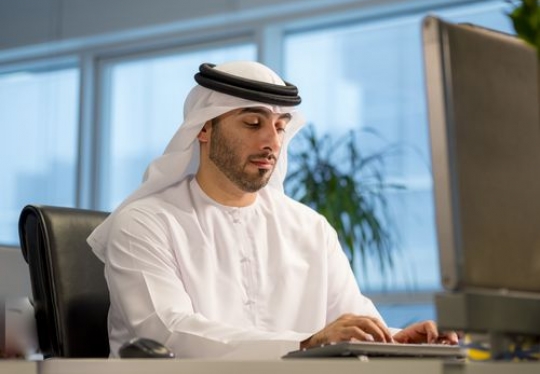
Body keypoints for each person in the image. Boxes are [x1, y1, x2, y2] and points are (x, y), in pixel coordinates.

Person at [87, 61, 458, 359]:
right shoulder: (144, 223)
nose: (272, 141)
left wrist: (398, 339)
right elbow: (169, 333)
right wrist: (306, 344)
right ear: (203, 130)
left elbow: (351, 321)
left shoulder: (309, 227)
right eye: (252, 123)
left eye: (280, 127)